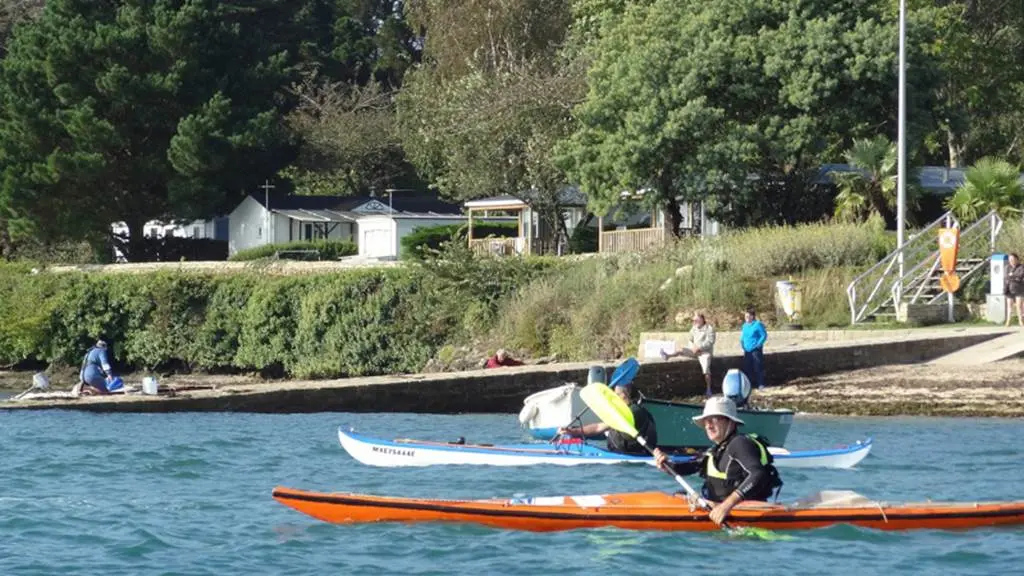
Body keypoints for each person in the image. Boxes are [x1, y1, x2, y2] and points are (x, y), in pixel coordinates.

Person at [653, 396, 782, 526]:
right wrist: (667, 464)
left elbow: (757, 474)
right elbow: (691, 467)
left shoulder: (740, 443)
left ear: (730, 422)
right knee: (678, 496)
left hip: (747, 513)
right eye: (706, 420)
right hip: (718, 509)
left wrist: (726, 506)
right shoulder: (717, 450)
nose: (708, 425)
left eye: (714, 419)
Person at [556, 381, 657, 455]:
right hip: (635, 453)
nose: (613, 398)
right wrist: (573, 431)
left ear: (623, 396)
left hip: (631, 455)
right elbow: (598, 427)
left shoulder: (633, 412)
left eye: (615, 395)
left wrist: (574, 432)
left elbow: (600, 427)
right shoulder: (633, 410)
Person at [660, 312, 716, 397]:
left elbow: (710, 342)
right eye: (694, 320)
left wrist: (699, 348)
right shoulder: (694, 328)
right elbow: (690, 339)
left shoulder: (709, 328)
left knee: (706, 370)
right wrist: (693, 347)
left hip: (705, 352)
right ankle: (668, 356)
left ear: (702, 319)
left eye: (696, 319)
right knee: (680, 349)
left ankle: (708, 389)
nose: (695, 321)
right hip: (694, 350)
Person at [740, 307, 768, 390]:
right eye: (745, 317)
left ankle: (760, 383)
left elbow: (764, 335)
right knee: (747, 367)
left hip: (755, 349)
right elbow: (743, 336)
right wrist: (742, 343)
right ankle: (749, 385)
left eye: (748, 316)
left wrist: (758, 344)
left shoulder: (757, 324)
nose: (747, 318)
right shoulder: (744, 325)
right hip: (747, 350)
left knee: (758, 367)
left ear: (752, 316)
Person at [1005, 253, 1024, 327]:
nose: (1011, 261)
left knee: (1019, 306)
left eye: (1013, 259)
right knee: (1009, 305)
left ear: (1017, 259)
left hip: (1019, 288)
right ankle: (1008, 321)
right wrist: (1013, 277)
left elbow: (1020, 276)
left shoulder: (1021, 267)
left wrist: (1012, 276)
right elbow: (1006, 277)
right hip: (1009, 288)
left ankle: (1020, 321)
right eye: (1010, 259)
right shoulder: (1007, 267)